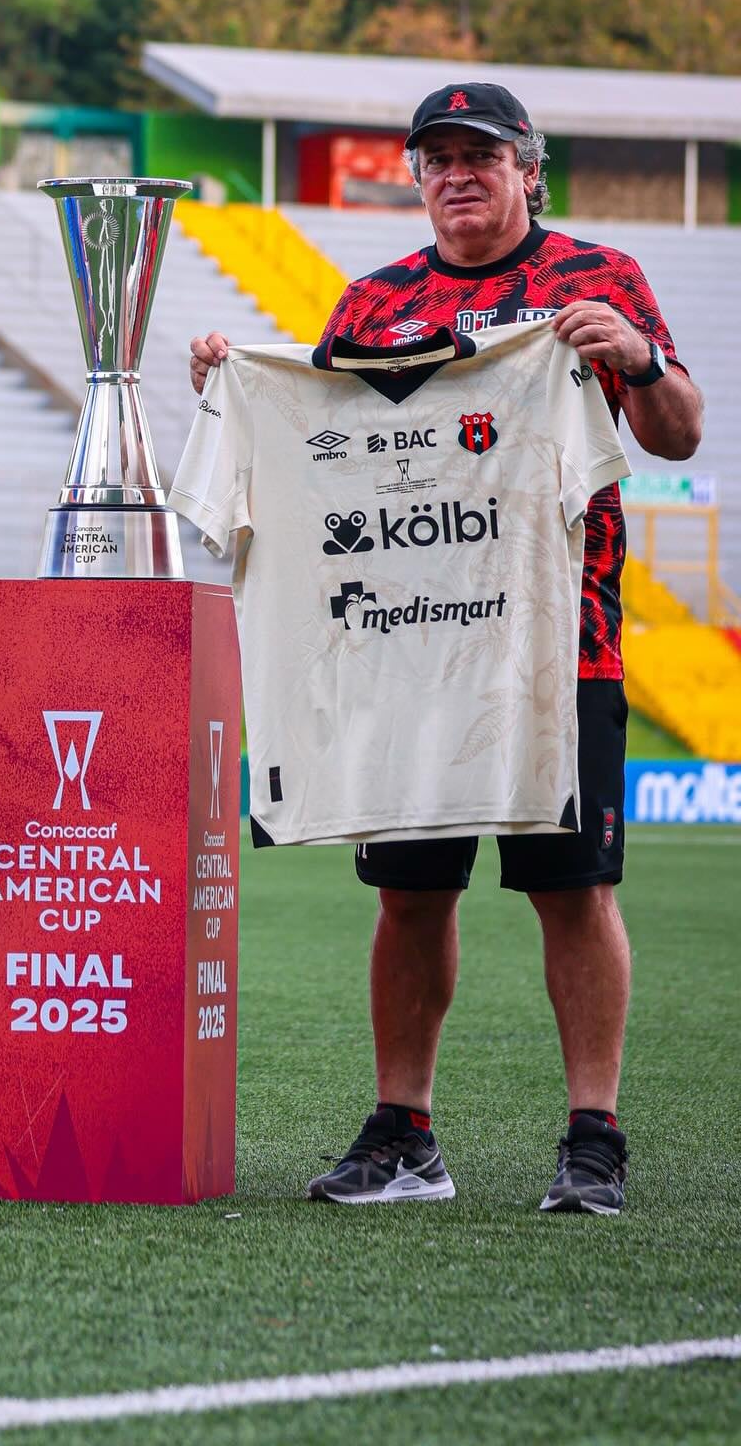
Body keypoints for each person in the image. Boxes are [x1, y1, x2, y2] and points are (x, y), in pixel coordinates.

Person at [189, 82, 703, 1216]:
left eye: (483, 155)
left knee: (573, 890)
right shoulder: (373, 302)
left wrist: (640, 359)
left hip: (561, 643)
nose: (459, 174)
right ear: (416, 177)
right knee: (411, 897)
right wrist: (232, 384)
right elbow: (316, 438)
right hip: (405, 650)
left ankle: (593, 1135)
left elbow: (680, 433)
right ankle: (404, 1130)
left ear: (532, 169)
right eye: (438, 158)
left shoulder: (599, 280)